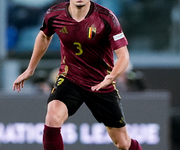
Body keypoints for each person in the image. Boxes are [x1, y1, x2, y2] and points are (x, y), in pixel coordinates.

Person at [13, 0, 142, 150]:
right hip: (70, 78)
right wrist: (30, 69)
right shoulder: (54, 14)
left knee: (123, 143)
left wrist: (112, 76)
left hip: (100, 82)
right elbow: (44, 36)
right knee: (53, 116)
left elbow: (124, 56)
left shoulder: (106, 18)